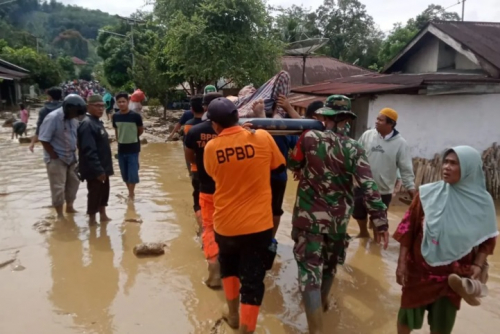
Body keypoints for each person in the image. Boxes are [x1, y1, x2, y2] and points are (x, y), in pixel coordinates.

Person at [288, 95, 389, 334]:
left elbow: (293, 164)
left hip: (308, 219)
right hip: (338, 222)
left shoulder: (309, 138)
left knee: (309, 271)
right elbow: (368, 186)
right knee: (330, 267)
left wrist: (305, 167)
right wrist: (381, 222)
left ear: (325, 116)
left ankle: (315, 328)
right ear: (347, 118)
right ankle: (322, 305)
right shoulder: (355, 148)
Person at [394, 146, 498, 334]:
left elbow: (488, 238)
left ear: (468, 169)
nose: (446, 167)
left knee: (443, 325)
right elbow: (408, 228)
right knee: (406, 318)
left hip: (453, 278)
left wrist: (478, 264)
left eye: (454, 163)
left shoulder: (483, 202)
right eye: (446, 162)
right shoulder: (427, 194)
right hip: (419, 271)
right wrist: (401, 263)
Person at [204, 98, 286, 334]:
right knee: (253, 280)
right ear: (237, 117)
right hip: (258, 225)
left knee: (229, 269)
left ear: (216, 125)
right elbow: (279, 168)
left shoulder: (212, 147)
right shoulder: (260, 137)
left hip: (226, 225)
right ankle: (246, 330)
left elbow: (212, 175)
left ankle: (232, 316)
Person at [354, 108, 416, 238]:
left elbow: (406, 169)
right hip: (362, 185)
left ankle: (376, 243)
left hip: (383, 189)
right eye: (377, 119)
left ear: (391, 124)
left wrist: (412, 191)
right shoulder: (367, 135)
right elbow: (356, 154)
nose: (376, 122)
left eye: (380, 120)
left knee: (379, 219)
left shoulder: (400, 144)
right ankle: (363, 232)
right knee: (358, 212)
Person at [184, 92, 223, 289]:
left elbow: (190, 158)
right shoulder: (236, 131)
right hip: (229, 187)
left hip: (204, 182)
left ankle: (213, 265)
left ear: (205, 107)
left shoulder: (195, 131)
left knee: (209, 226)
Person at [38, 94, 86, 220]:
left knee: (74, 183)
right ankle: (59, 214)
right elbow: (43, 138)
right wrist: (53, 155)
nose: (76, 115)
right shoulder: (52, 118)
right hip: (56, 158)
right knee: (58, 187)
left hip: (71, 156)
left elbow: (75, 136)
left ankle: (69, 206)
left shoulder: (75, 119)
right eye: (75, 113)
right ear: (68, 109)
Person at [77, 95, 113, 225]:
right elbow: (89, 150)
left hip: (103, 166)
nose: (101, 109)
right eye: (97, 106)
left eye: (102, 106)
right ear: (88, 106)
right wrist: (98, 170)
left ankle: (103, 215)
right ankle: (92, 219)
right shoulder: (87, 124)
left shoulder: (97, 122)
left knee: (104, 192)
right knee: (94, 193)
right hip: (94, 168)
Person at [112, 92, 144, 201]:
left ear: (128, 102)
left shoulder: (135, 116)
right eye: (119, 102)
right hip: (121, 149)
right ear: (117, 103)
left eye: (123, 102)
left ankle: (131, 194)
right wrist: (119, 141)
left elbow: (140, 130)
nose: (121, 104)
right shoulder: (115, 116)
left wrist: (132, 138)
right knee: (124, 174)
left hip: (133, 149)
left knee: (133, 174)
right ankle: (130, 193)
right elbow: (116, 130)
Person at [29, 87, 63, 152]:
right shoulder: (65, 108)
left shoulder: (44, 110)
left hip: (50, 142)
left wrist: (32, 143)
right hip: (65, 142)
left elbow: (39, 127)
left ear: (50, 97)